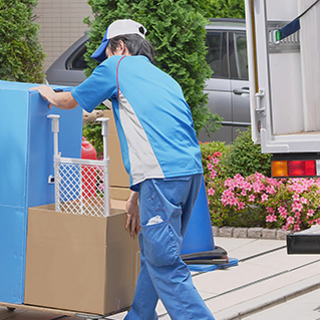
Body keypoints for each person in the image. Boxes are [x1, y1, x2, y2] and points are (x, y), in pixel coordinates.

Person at [32, 19, 215, 320]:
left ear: (120, 46)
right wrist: (136, 194)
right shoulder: (163, 78)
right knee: (154, 254)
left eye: (106, 51)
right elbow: (158, 133)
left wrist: (48, 94)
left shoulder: (116, 66)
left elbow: (70, 101)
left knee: (164, 262)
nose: (104, 59)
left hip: (162, 177)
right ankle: (139, 316)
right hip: (189, 174)